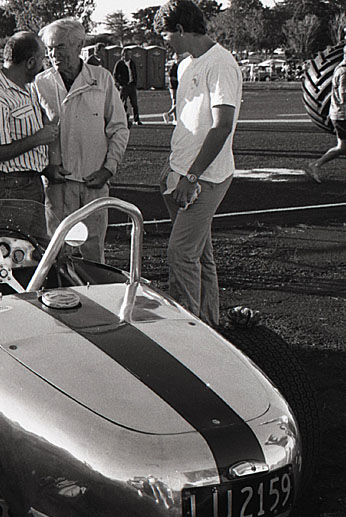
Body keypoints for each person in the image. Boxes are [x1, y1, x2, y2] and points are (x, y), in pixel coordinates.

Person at [154, 0, 242, 328]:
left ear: (180, 29)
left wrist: (192, 177)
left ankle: (188, 333)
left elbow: (222, 126)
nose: (166, 43)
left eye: (166, 36)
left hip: (205, 177)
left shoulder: (221, 63)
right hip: (179, 172)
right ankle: (209, 322)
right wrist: (172, 167)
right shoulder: (185, 65)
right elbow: (189, 122)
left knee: (181, 254)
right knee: (200, 254)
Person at [33, 18, 129, 262]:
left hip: (93, 183)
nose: (54, 54)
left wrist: (108, 169)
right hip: (57, 184)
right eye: (50, 48)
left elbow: (119, 128)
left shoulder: (102, 79)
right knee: (56, 254)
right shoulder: (40, 83)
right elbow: (32, 131)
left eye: (60, 47)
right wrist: (46, 167)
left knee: (93, 254)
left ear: (78, 46)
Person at [0, 31, 59, 202]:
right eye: (42, 59)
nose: (43, 65)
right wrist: (38, 138)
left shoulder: (25, 87)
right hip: (8, 186)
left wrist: (45, 168)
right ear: (30, 62)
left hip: (26, 183)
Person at [305, 42, 346, 187]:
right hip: (344, 115)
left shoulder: (342, 69)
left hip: (339, 114)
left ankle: (316, 164)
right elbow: (344, 96)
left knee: (342, 147)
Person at [113, 49, 142, 125]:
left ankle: (136, 119)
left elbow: (134, 73)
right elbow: (115, 75)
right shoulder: (120, 63)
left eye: (130, 54)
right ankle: (123, 118)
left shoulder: (132, 63)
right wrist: (120, 84)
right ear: (123, 55)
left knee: (134, 103)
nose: (129, 56)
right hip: (124, 86)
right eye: (127, 54)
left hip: (131, 85)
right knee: (123, 103)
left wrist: (135, 83)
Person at [162, 54, 179, 124]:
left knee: (175, 102)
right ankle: (170, 115)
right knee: (176, 102)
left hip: (174, 86)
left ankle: (174, 117)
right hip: (174, 87)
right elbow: (171, 77)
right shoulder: (174, 66)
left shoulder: (176, 66)